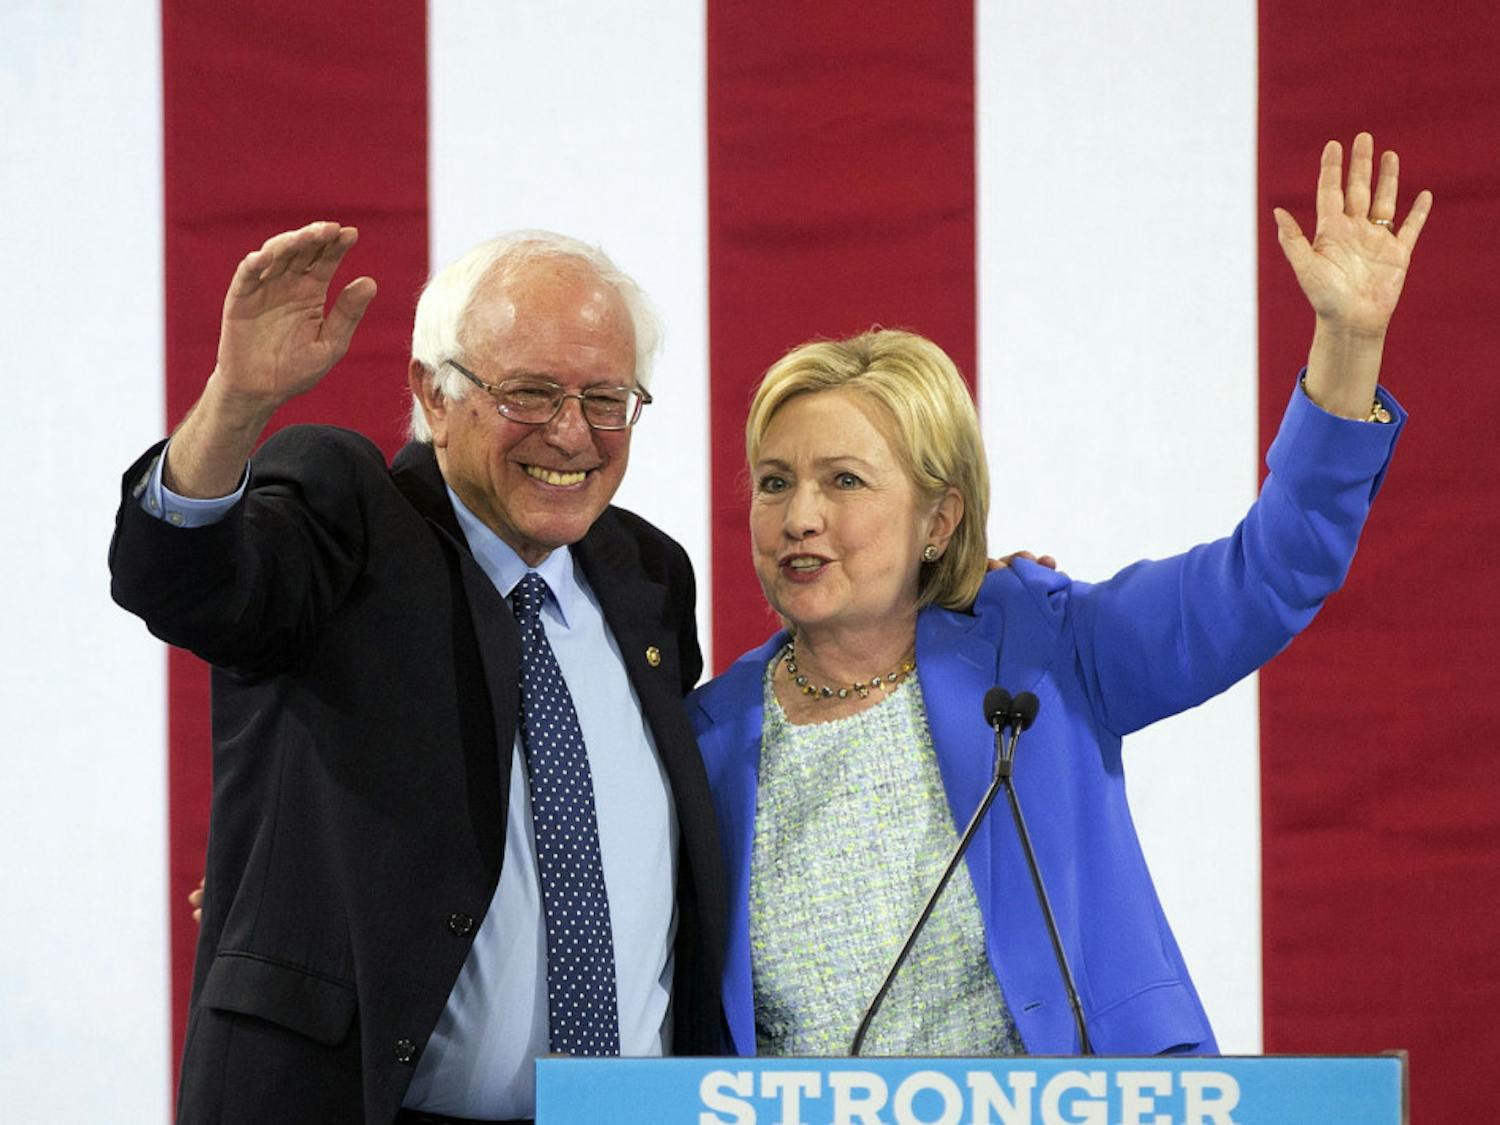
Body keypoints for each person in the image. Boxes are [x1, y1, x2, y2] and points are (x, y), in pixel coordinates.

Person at [688, 133, 1431, 1056]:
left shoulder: (1042, 646)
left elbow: (1268, 575)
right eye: (773, 482)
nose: (800, 516)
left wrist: (1348, 343)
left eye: (844, 481)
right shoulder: (707, 736)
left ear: (939, 518)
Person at [110, 224, 726, 1124]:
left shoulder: (651, 576)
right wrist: (236, 405)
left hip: (628, 1110)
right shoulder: (351, 515)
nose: (571, 432)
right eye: (530, 392)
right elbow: (183, 578)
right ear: (433, 395)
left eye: (606, 397)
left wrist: (970, 595)